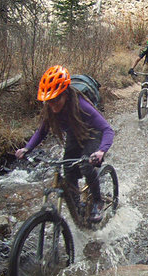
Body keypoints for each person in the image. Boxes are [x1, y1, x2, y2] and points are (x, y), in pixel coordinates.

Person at [15, 66, 114, 223]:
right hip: (76, 134)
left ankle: (97, 201)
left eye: (56, 100)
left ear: (66, 94)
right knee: (68, 170)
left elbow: (107, 129)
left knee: (86, 166)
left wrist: (101, 151)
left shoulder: (82, 105)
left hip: (94, 133)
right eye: (49, 101)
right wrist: (27, 148)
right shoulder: (50, 109)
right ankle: (78, 208)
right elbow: (41, 131)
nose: (53, 106)